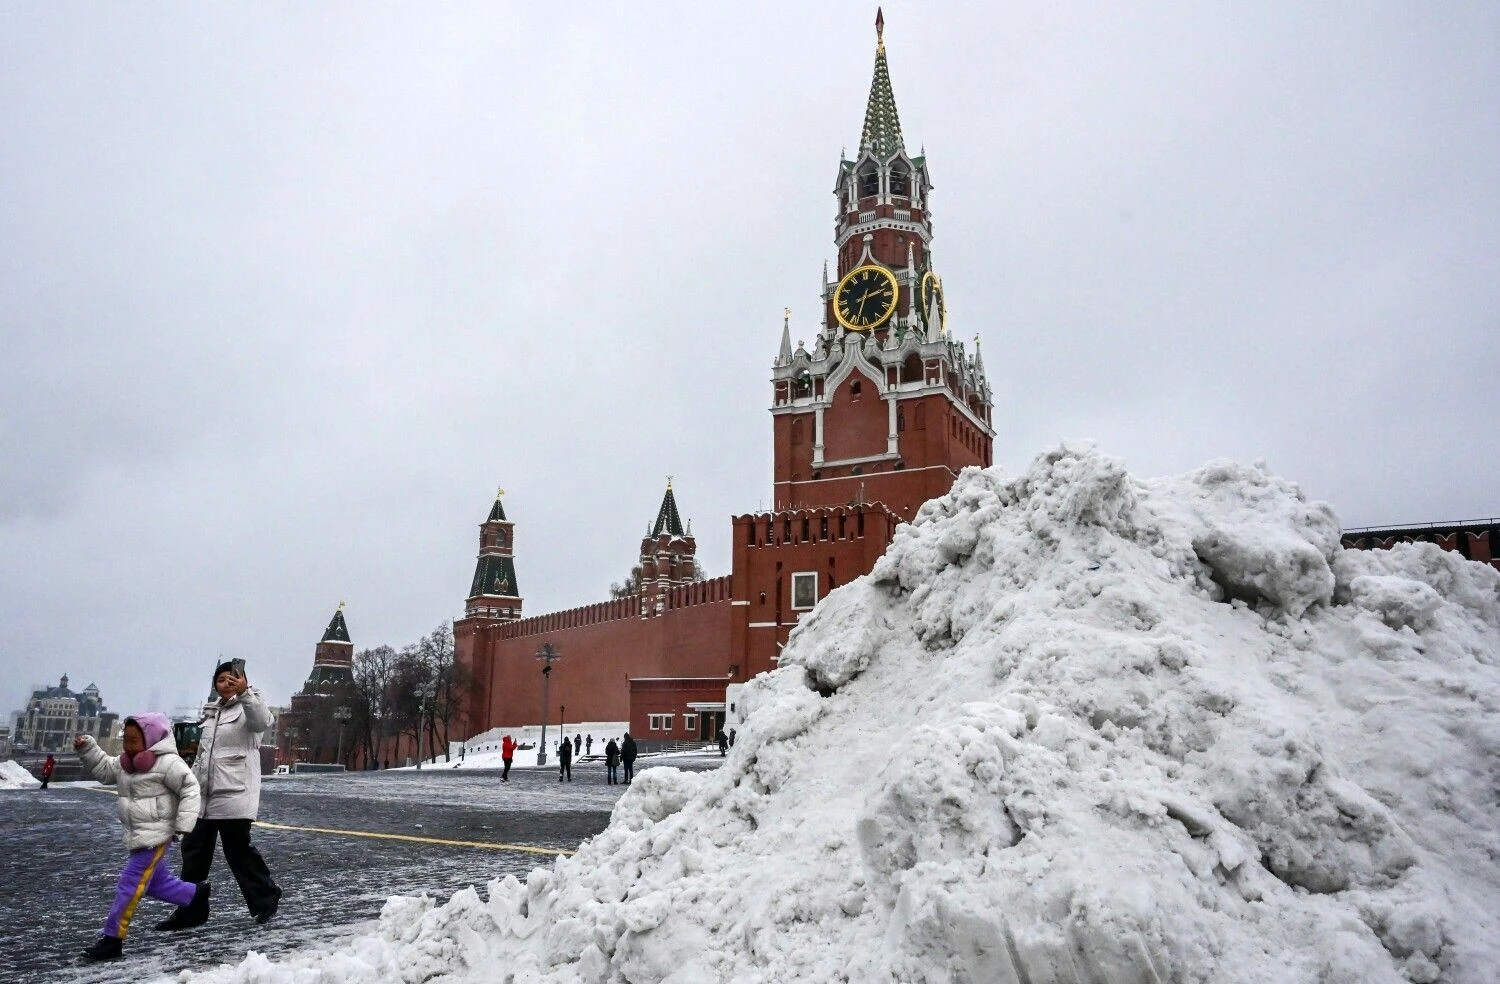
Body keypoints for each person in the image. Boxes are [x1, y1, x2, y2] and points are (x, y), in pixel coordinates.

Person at [156, 659, 281, 930]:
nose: (227, 684)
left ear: (243, 680)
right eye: (221, 679)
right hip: (205, 795)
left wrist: (246, 693)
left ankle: (266, 897)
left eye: (232, 678)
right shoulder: (212, 713)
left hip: (235, 792)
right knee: (194, 852)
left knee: (238, 851)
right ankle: (191, 910)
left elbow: (261, 722)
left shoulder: (252, 704)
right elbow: (203, 757)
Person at [74, 714, 208, 961]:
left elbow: (190, 788)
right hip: (137, 835)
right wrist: (88, 748)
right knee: (156, 883)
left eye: (134, 741)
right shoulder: (126, 763)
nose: (128, 745)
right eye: (126, 740)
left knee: (130, 883)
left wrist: (184, 824)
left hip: (156, 836)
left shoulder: (168, 763)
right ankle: (195, 895)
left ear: (151, 740)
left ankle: (112, 939)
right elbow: (104, 769)